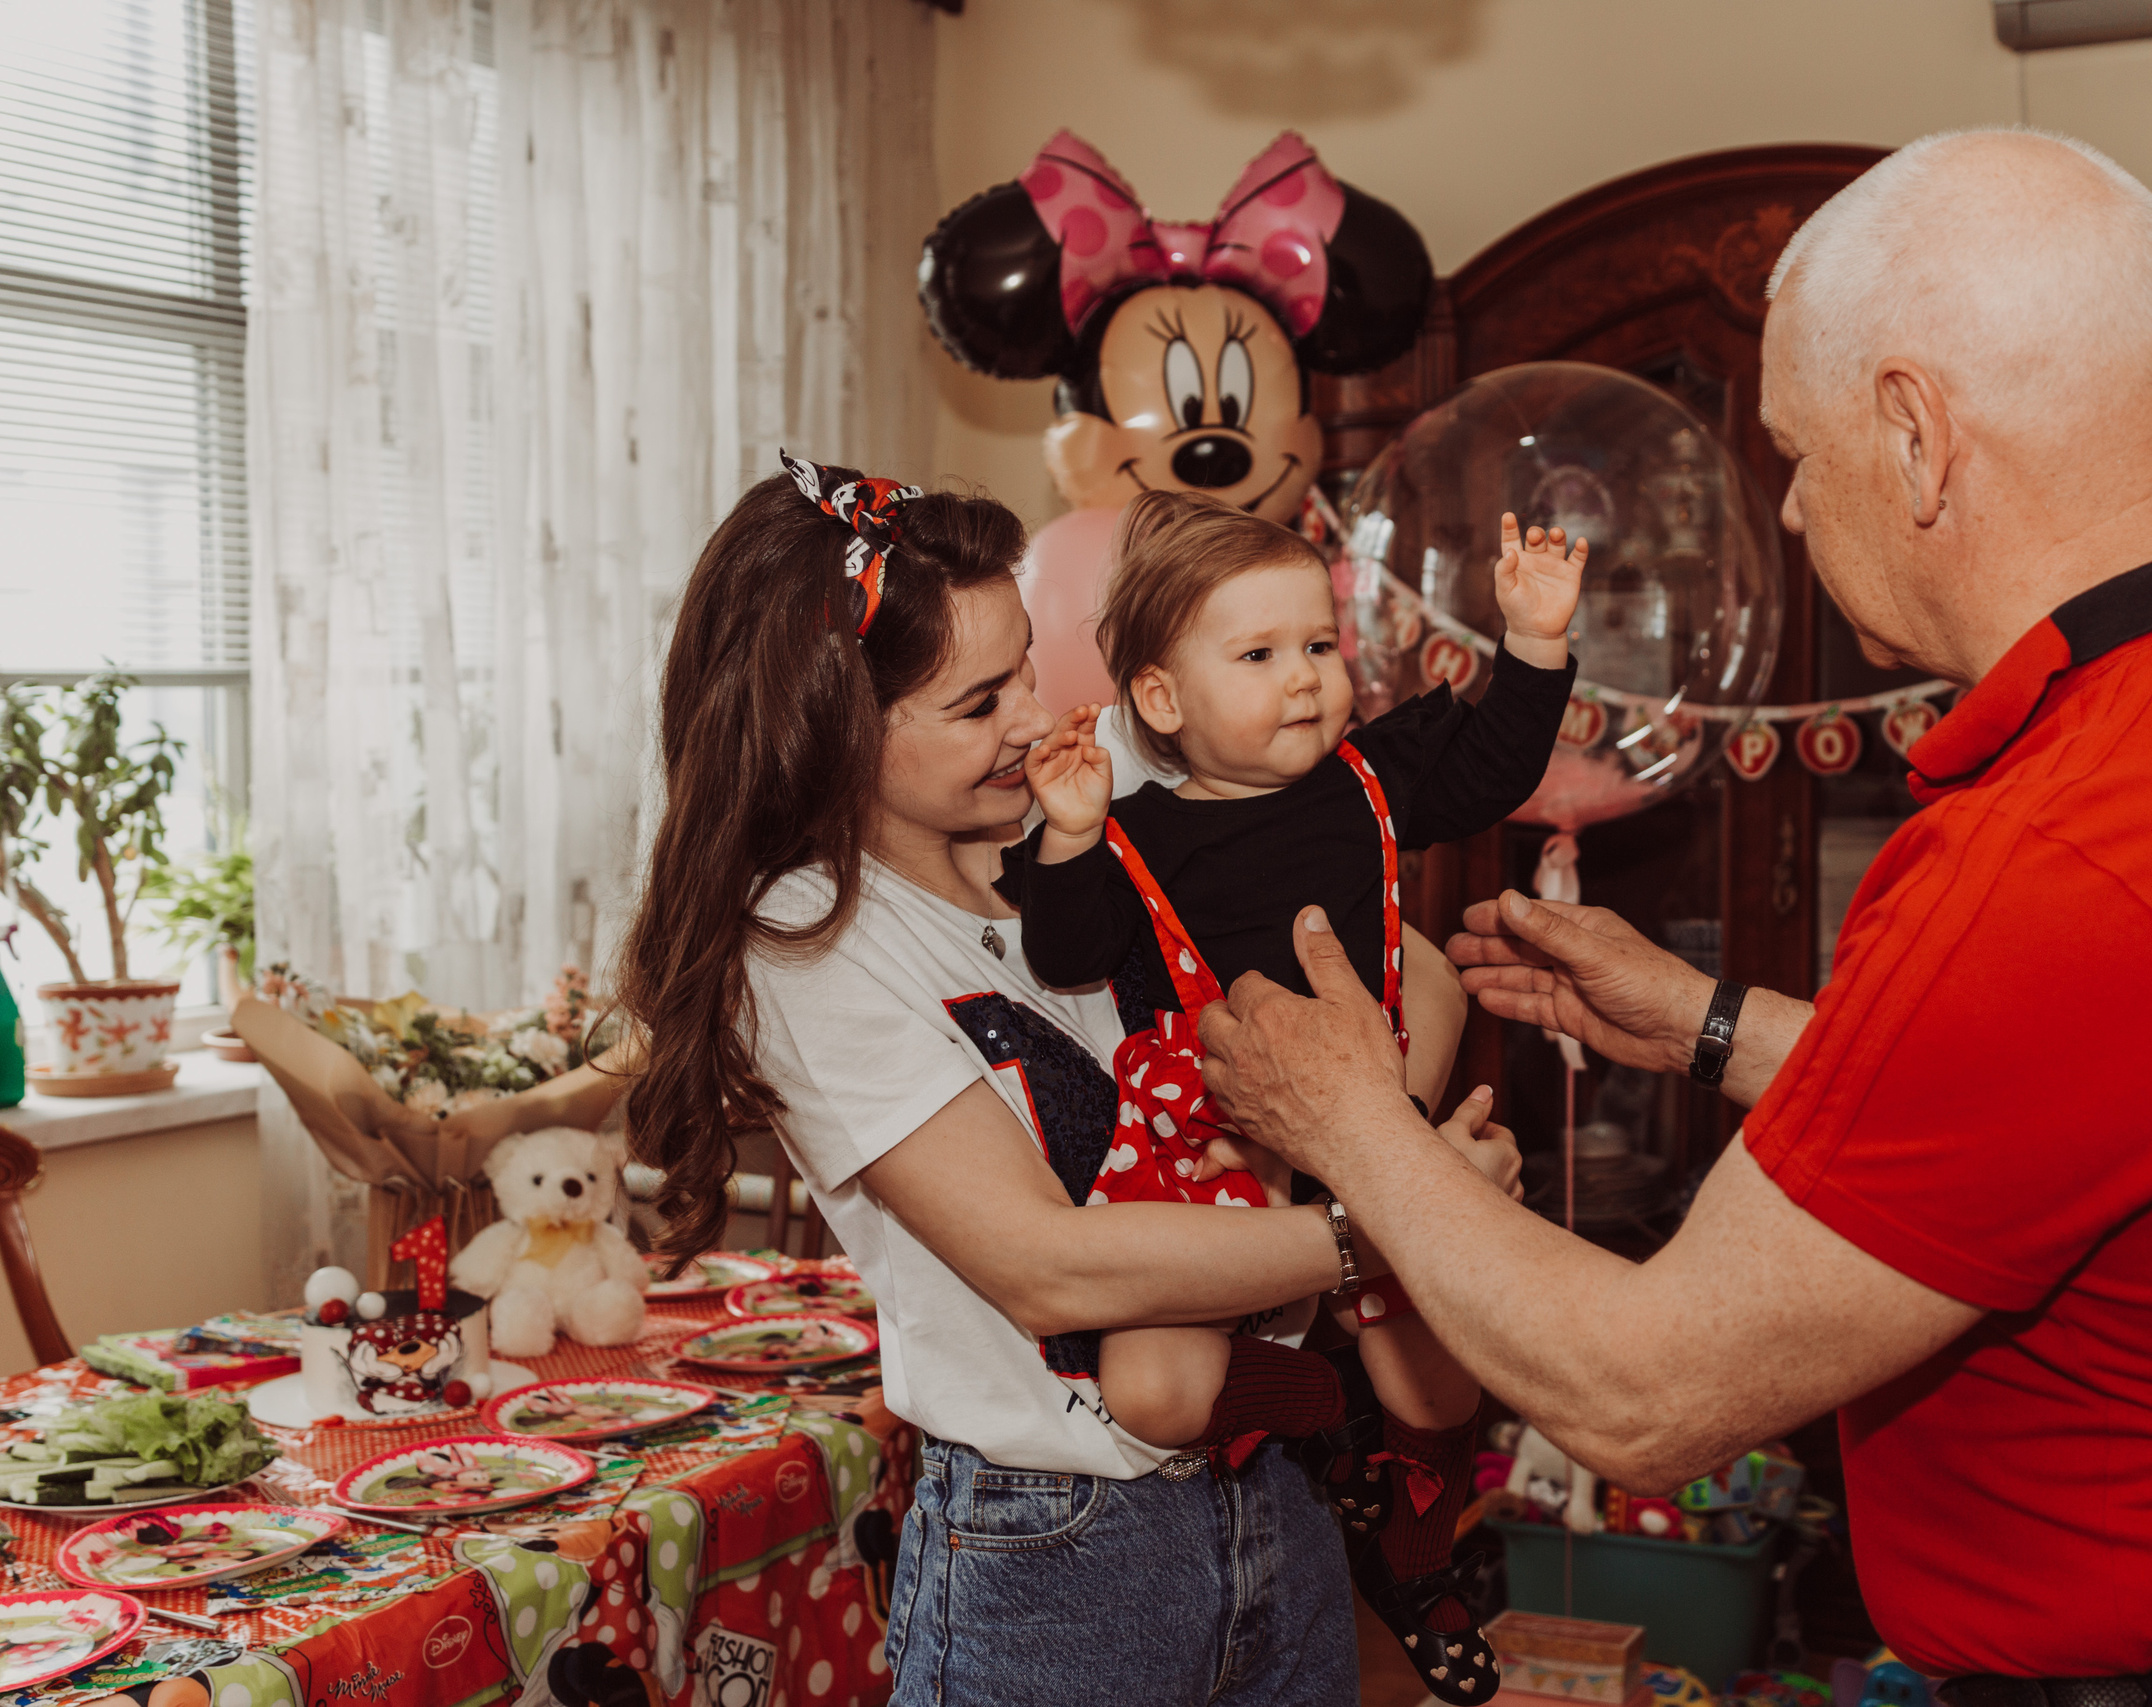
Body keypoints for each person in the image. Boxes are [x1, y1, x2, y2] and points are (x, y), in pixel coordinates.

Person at [1195, 127, 2152, 1702]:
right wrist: (1708, 1022)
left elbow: (1646, 1389)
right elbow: (2113, 1094)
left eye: (1797, 450)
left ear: (1917, 434)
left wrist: (1352, 1120)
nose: (1788, 513)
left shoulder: (2064, 841)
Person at [613, 454, 1520, 1707]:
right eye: (978, 702)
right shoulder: (808, 946)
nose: (1036, 720)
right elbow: (1047, 1267)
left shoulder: (1091, 818)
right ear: (834, 726)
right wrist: (1401, 1209)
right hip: (1057, 1557)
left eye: (1028, 670)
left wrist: (1381, 1137)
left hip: (1281, 1497)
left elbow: (1408, 966)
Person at [1015, 488, 1582, 1697]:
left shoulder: (1370, 779)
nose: (1306, 680)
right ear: (1162, 700)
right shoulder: (1132, 833)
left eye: (1318, 645)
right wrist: (1066, 837)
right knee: (1152, 1393)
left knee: (1440, 1385)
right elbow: (1063, 955)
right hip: (1209, 1142)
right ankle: (1328, 1418)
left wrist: (1533, 642)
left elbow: (1493, 767)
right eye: (1259, 655)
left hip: (1369, 1118)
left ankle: (1410, 1540)